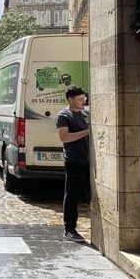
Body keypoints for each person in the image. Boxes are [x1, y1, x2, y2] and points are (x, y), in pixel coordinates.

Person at [55, 85, 90, 241]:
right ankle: (69, 228)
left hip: (88, 159)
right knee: (72, 194)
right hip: (74, 159)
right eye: (80, 99)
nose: (83, 101)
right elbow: (64, 137)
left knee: (88, 193)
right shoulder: (64, 115)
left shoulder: (85, 114)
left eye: (84, 98)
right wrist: (88, 132)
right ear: (70, 100)